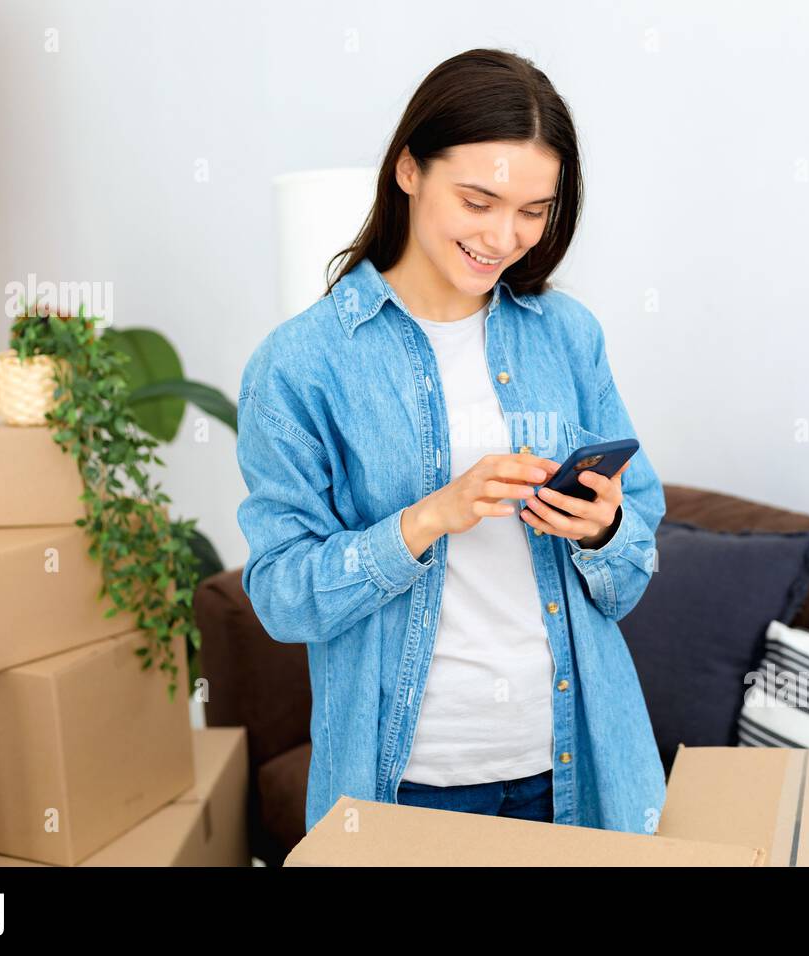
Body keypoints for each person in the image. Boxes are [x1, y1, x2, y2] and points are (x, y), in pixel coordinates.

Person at [236, 48, 666, 837]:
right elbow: (281, 596)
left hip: (575, 768)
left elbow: (632, 572)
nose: (505, 236)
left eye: (533, 211)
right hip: (408, 786)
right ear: (409, 170)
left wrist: (603, 530)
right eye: (479, 200)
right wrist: (427, 518)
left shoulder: (568, 337)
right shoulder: (301, 366)